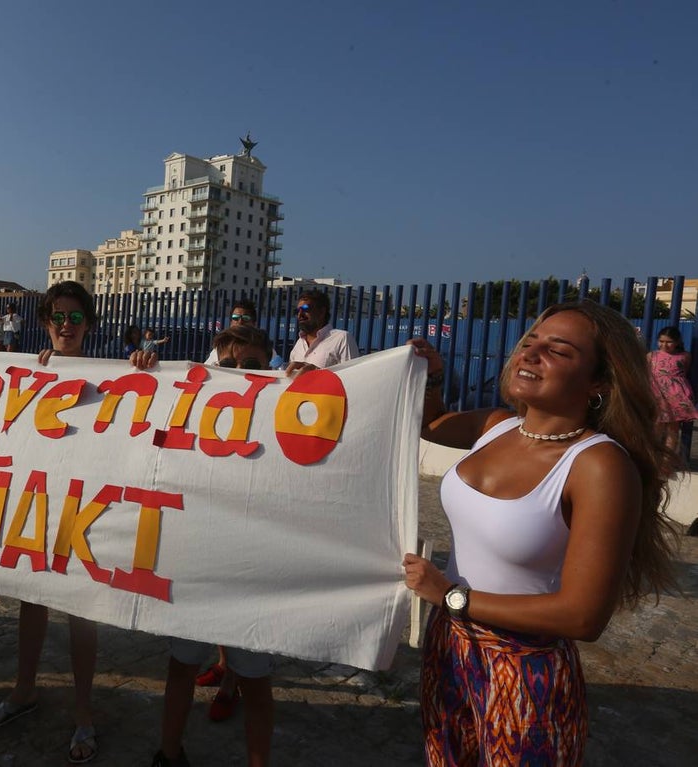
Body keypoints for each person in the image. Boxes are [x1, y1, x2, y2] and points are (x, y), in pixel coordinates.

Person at [402, 301, 678, 766]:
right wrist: (430, 374)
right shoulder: (496, 426)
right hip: (450, 646)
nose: (531, 354)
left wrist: (450, 596)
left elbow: (583, 617)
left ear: (599, 382)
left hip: (525, 668)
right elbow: (429, 424)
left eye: (558, 350)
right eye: (530, 342)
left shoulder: (599, 465)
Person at [0, 282, 101, 764]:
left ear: (88, 325)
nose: (66, 325)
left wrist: (143, 365)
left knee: (82, 612)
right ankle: (24, 689)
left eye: (76, 317)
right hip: (39, 500)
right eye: (58, 317)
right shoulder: (29, 370)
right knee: (31, 599)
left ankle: (84, 712)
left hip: (84, 505)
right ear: (45, 323)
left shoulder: (113, 375)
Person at [152, 324, 277, 767]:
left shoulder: (283, 410)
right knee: (181, 668)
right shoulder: (195, 408)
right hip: (198, 562)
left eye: (251, 364)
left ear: (271, 367)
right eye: (227, 364)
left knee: (255, 682)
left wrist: (308, 383)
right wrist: (145, 370)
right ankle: (169, 754)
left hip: (251, 570)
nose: (238, 372)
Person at [647, 326, 697, 468]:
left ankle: (666, 462)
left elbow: (683, 373)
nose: (664, 345)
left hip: (676, 396)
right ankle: (652, 458)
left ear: (677, 342)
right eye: (661, 341)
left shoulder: (685, 356)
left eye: (669, 342)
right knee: (656, 426)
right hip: (657, 394)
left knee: (673, 429)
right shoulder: (651, 355)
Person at [285, 291, 358, 374]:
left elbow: (353, 376)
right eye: (297, 311)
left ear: (321, 312)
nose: (300, 314)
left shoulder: (342, 339)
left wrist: (318, 372)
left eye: (305, 309)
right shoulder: (298, 345)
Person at [203, 298, 284, 370]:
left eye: (250, 365)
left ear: (254, 323)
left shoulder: (264, 349)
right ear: (230, 322)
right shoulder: (219, 349)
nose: (240, 321)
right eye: (235, 318)